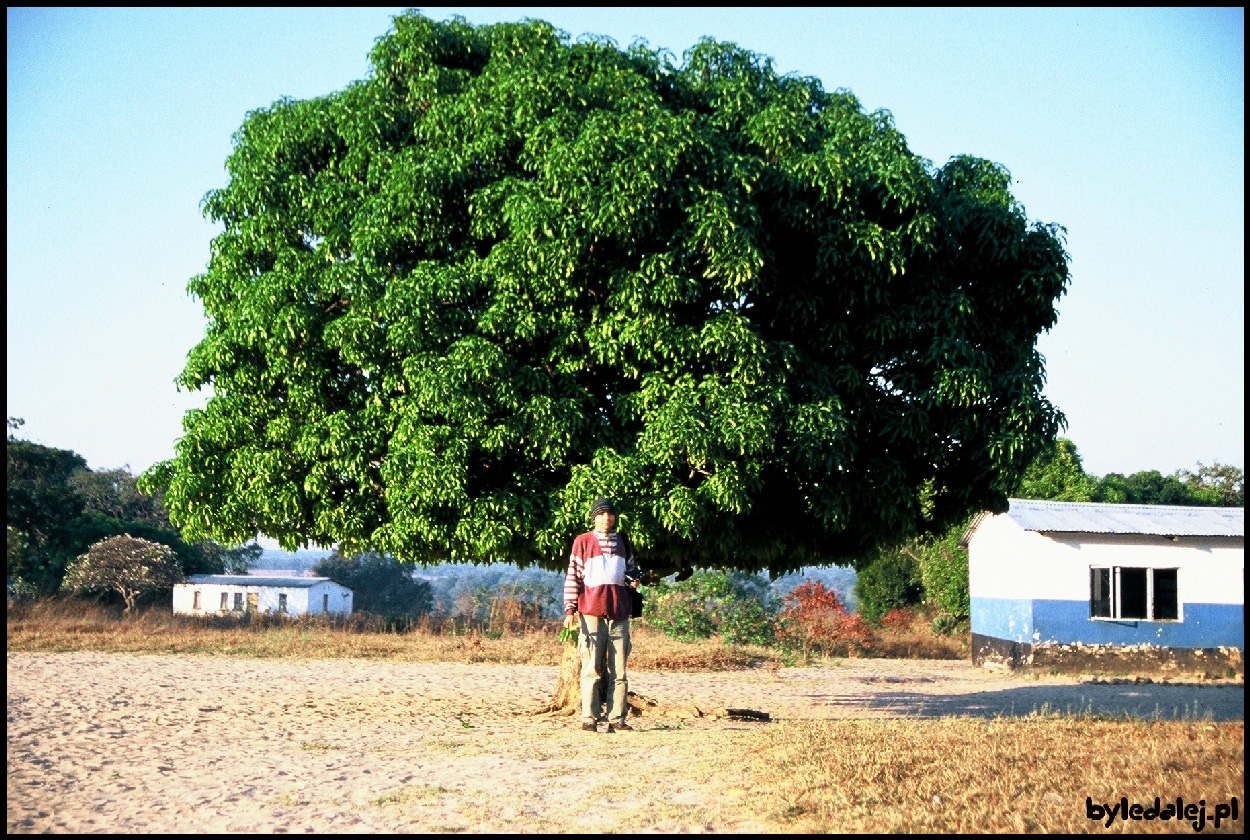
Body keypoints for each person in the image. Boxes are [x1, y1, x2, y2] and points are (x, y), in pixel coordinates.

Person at [563, 496, 641, 733]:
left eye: (610, 514)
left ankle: (617, 717)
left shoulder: (624, 541)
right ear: (594, 517)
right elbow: (573, 576)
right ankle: (589, 717)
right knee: (592, 668)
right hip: (590, 611)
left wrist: (634, 581)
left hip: (619, 612)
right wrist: (570, 609)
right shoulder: (583, 542)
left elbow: (629, 570)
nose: (606, 518)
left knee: (620, 670)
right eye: (601, 514)